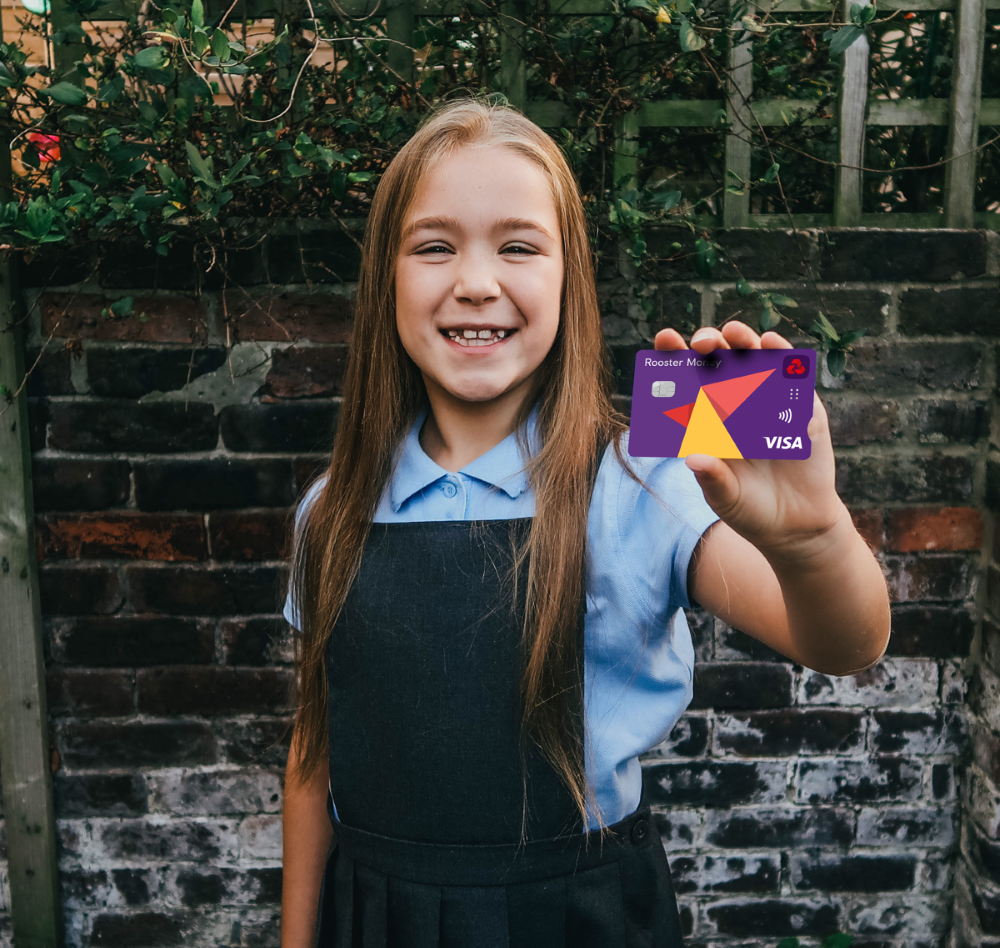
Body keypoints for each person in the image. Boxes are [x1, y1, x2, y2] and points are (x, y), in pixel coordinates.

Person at [279, 98, 890, 948]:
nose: (477, 281)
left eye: (519, 246)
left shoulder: (640, 481)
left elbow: (843, 643)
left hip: (578, 922)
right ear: (387, 276)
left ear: (572, 280)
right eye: (434, 246)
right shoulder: (330, 513)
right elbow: (314, 754)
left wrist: (812, 538)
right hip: (376, 920)